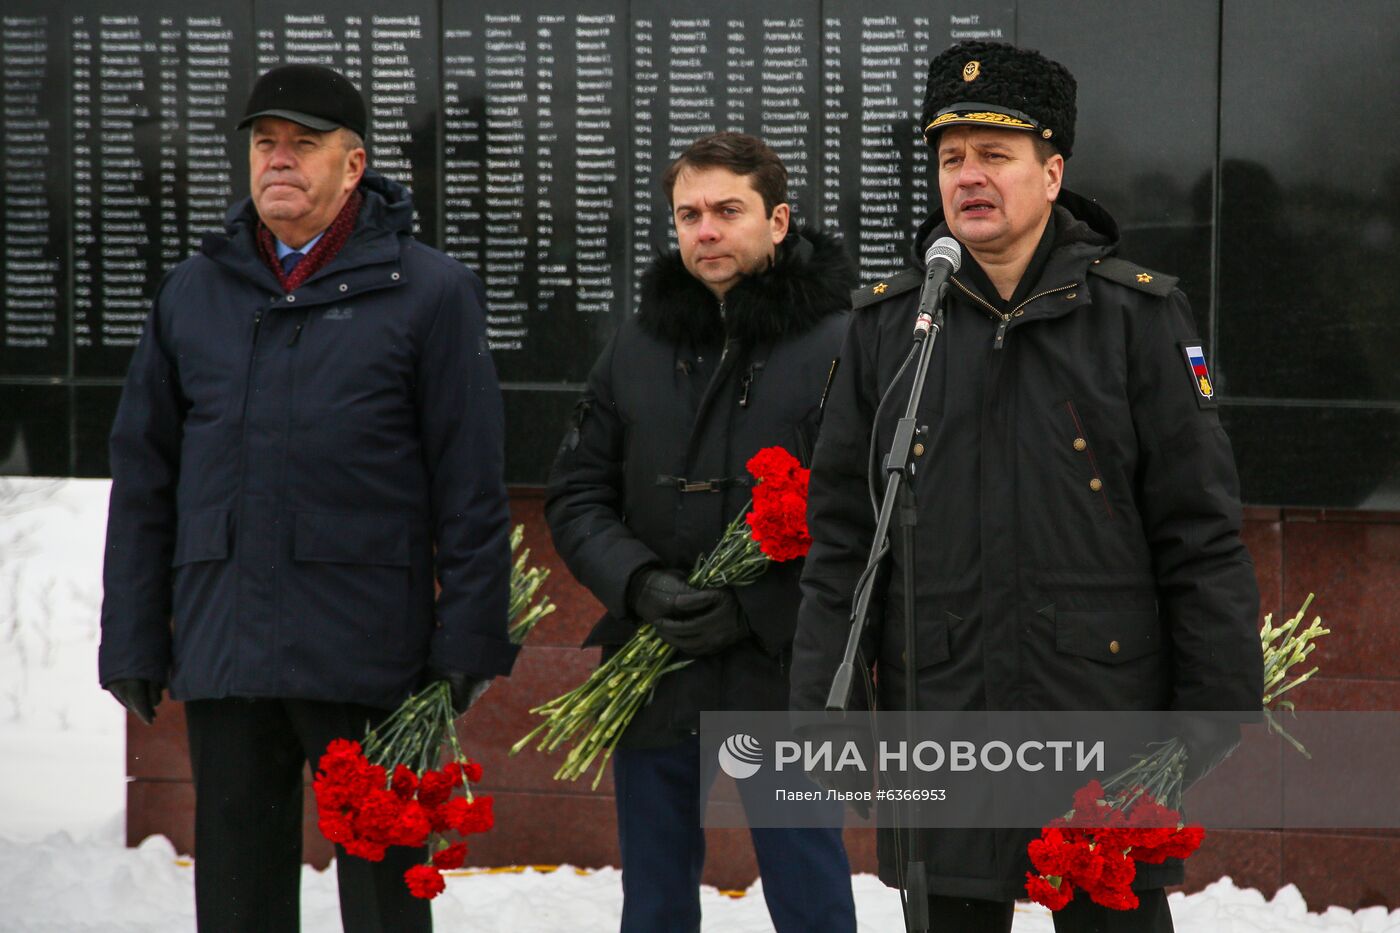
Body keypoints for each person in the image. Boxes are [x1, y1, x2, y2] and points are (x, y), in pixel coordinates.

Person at [789, 41, 1263, 932]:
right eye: (951, 158)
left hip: (1102, 722)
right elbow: (845, 539)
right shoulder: (893, 325)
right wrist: (828, 704)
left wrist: (1211, 712)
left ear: (1051, 173)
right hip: (944, 720)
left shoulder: (1136, 316)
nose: (968, 176)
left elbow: (1199, 530)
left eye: (994, 154)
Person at [98, 64, 516, 933]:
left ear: (353, 165)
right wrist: (133, 635)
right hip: (228, 649)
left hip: (370, 653)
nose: (278, 159)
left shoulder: (430, 291)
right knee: (237, 901)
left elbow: (470, 483)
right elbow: (145, 480)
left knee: (384, 903)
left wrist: (469, 636)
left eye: (303, 143)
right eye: (265, 143)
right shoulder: (193, 293)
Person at [546, 132, 859, 933]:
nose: (706, 230)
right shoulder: (637, 344)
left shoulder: (845, 344)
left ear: (778, 220)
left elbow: (867, 516)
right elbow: (577, 493)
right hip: (655, 664)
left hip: (781, 671)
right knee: (654, 901)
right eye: (689, 214)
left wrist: (754, 608)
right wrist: (640, 584)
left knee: (811, 899)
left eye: (728, 210)